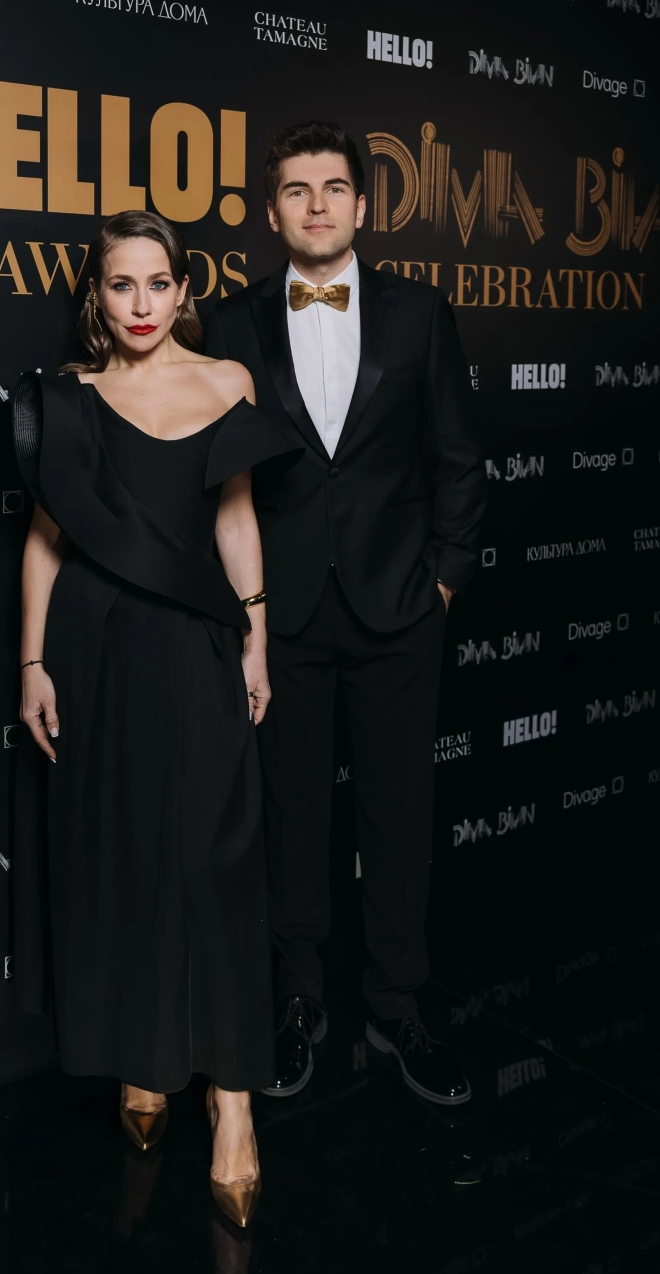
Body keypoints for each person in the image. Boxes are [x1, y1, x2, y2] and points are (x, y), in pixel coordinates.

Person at [11, 210, 301, 1227]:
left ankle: (233, 1103)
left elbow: (237, 515)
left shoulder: (227, 383)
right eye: (120, 285)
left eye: (157, 283)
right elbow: (46, 539)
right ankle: (144, 1055)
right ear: (97, 296)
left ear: (184, 290)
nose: (140, 304)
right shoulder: (69, 398)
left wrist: (254, 637)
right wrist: (33, 661)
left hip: (194, 645)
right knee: (128, 855)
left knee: (216, 864)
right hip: (97, 650)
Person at [204, 121, 487, 1104]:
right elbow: (219, 477)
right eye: (296, 189)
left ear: (363, 206)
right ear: (271, 210)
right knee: (290, 815)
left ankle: (397, 1004)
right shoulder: (233, 322)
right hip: (279, 615)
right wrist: (244, 609)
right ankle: (298, 1002)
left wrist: (442, 583)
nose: (316, 204)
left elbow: (459, 458)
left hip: (398, 607)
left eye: (333, 188)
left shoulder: (420, 312)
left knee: (398, 811)